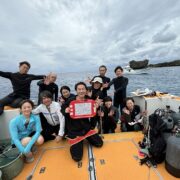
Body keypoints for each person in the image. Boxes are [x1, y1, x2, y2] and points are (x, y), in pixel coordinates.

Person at [61, 82, 103, 162]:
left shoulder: (89, 100)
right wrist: (66, 111)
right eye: (79, 89)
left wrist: (96, 108)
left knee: (99, 144)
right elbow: (62, 110)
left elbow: (93, 115)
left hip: (86, 128)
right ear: (76, 91)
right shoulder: (70, 100)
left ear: (86, 90)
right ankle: (79, 142)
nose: (81, 91)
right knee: (77, 158)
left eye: (83, 89)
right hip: (74, 131)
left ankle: (86, 137)